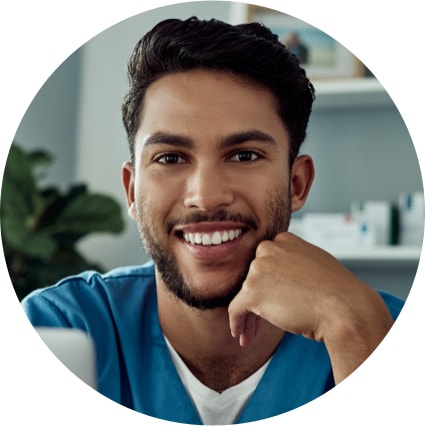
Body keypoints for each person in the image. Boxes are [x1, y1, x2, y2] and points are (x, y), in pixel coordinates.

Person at [22, 16, 403, 424]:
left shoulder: (380, 329)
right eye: (170, 158)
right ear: (132, 191)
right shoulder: (59, 328)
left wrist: (357, 333)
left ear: (296, 183)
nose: (205, 196)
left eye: (244, 155)